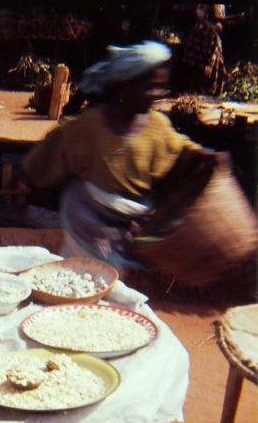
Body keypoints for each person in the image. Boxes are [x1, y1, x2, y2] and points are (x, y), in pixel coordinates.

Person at [20, 40, 209, 270]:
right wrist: (28, 175)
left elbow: (182, 151)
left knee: (125, 278)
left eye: (160, 87)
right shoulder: (88, 126)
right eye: (149, 87)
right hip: (89, 220)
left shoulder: (158, 126)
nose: (156, 94)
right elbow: (49, 154)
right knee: (85, 276)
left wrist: (208, 157)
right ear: (123, 87)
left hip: (132, 223)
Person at [182, 4, 227, 96]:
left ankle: (209, 93)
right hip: (201, 58)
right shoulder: (201, 28)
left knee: (211, 75)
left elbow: (214, 50)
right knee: (198, 76)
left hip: (208, 58)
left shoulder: (212, 31)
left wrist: (210, 64)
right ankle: (198, 94)